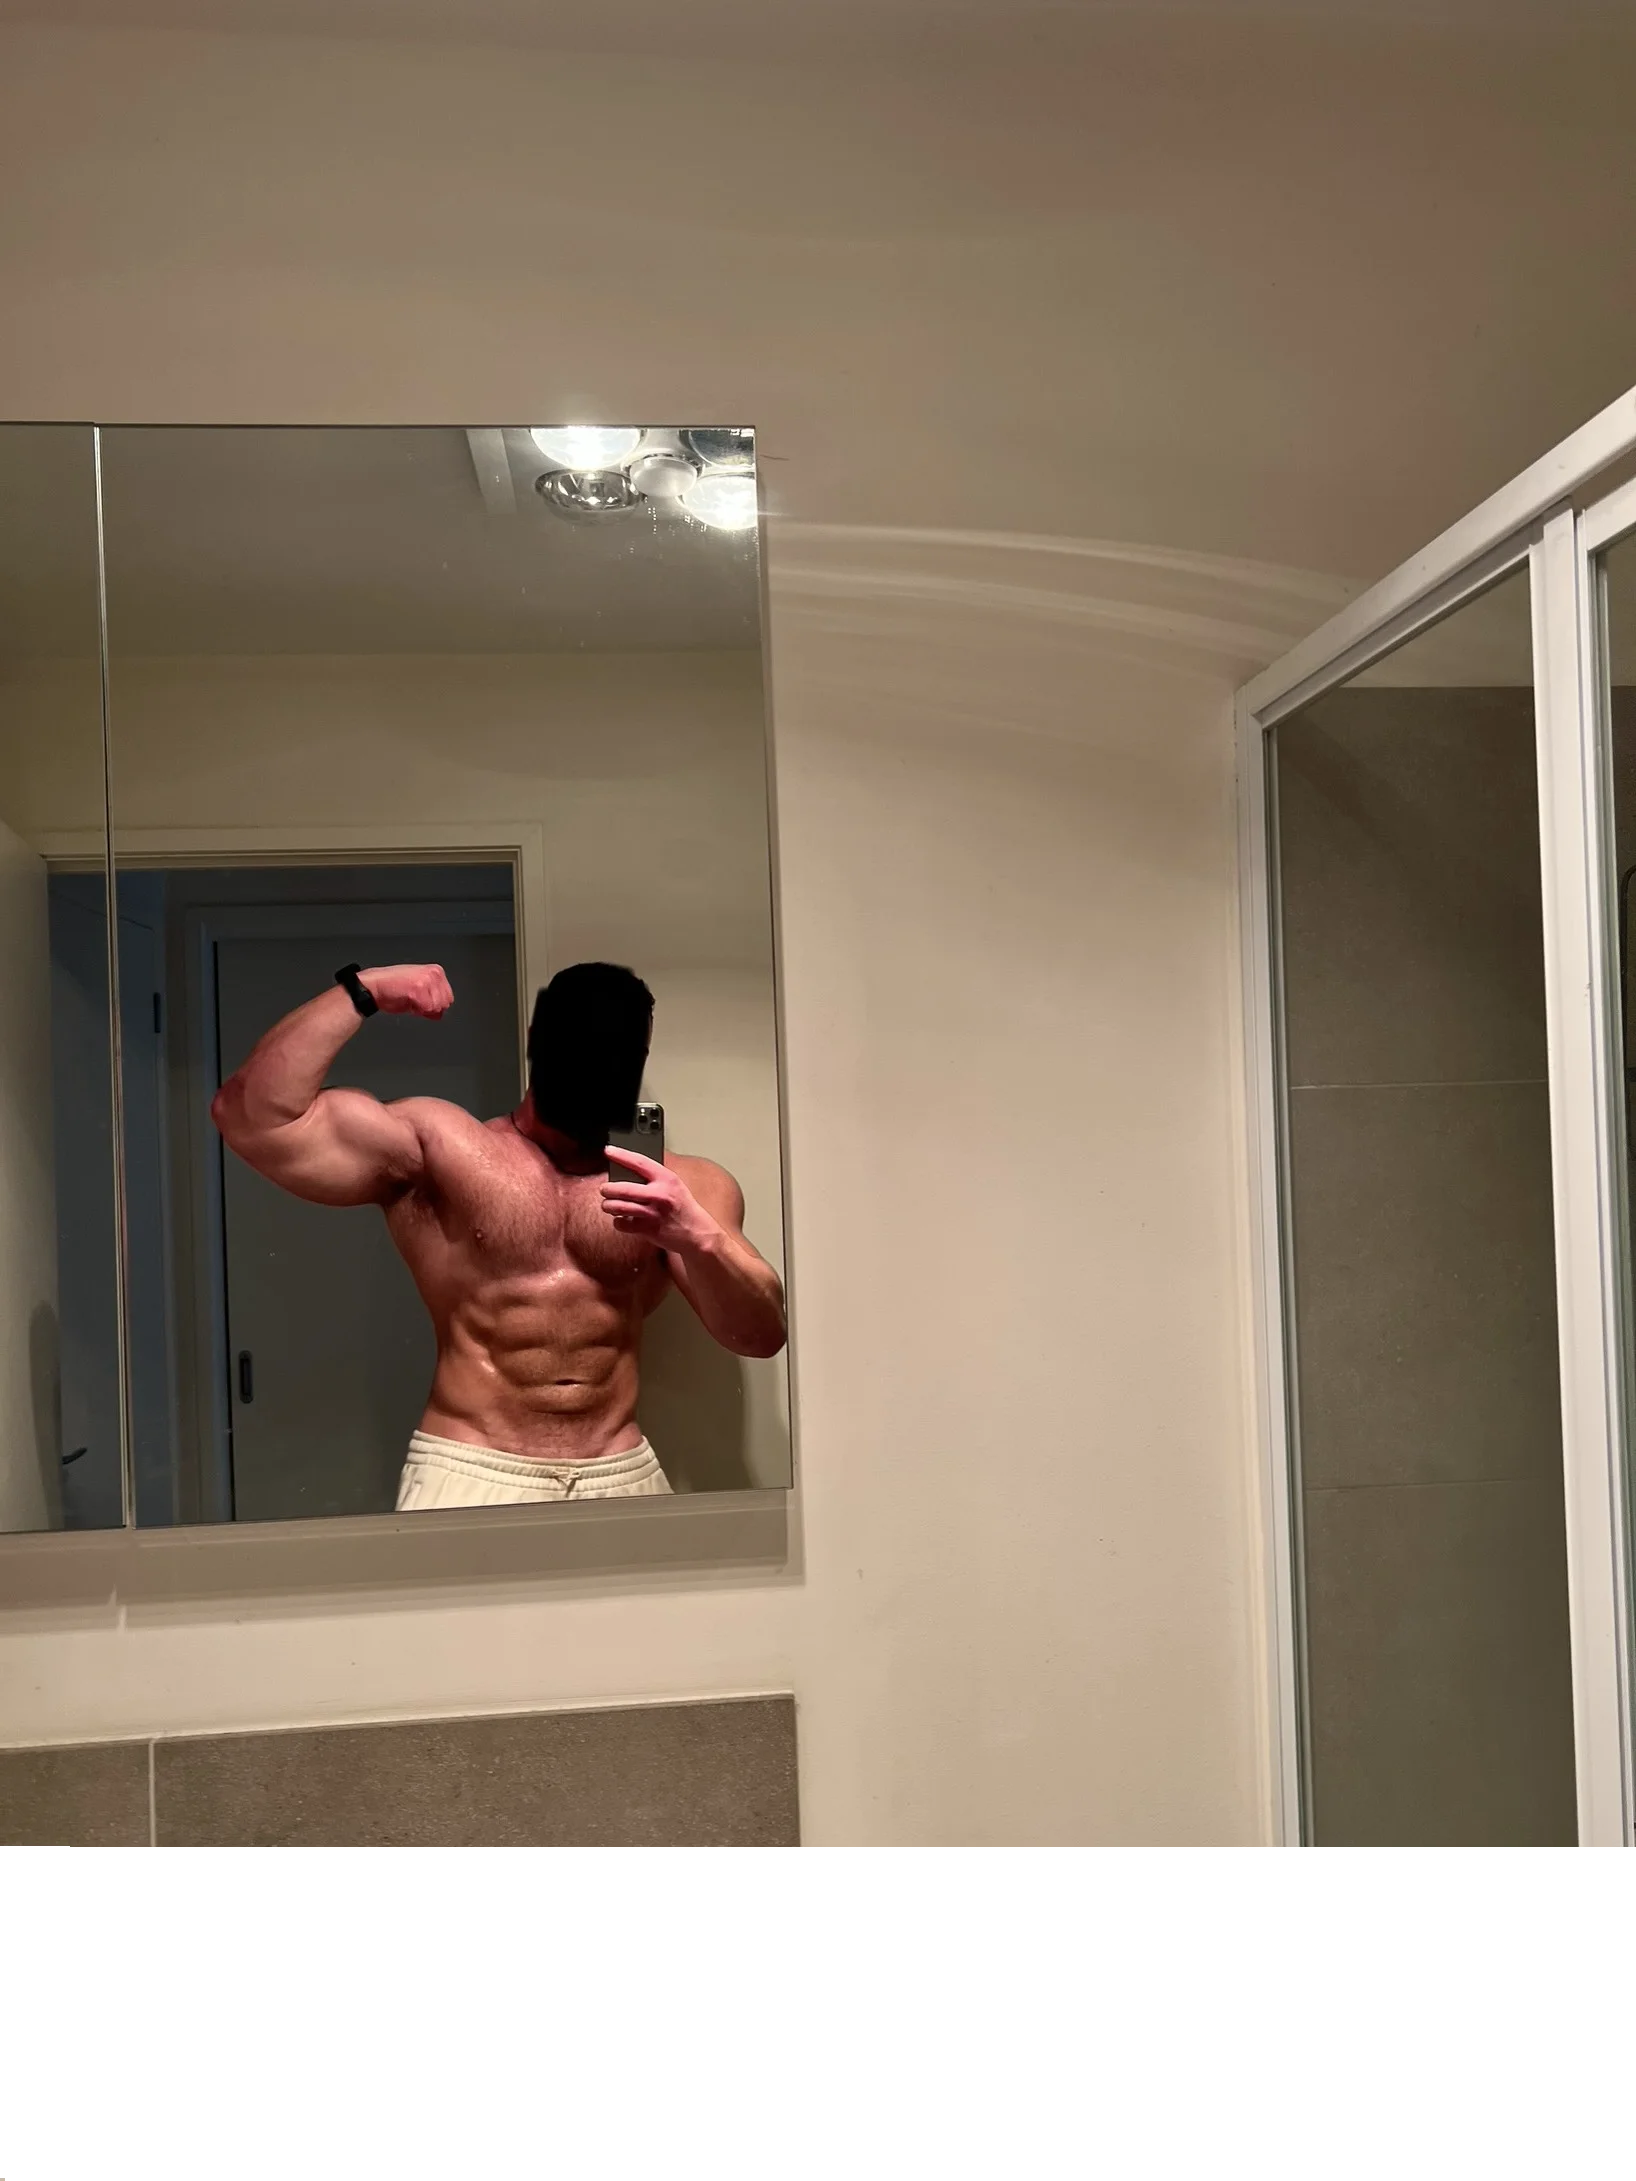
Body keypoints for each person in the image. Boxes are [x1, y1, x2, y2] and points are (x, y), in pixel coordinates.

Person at [211, 959, 786, 1510]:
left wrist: (698, 1238)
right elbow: (253, 1118)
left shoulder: (680, 1187)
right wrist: (365, 991)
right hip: (473, 1469)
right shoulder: (444, 1147)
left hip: (621, 1470)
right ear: (537, 1040)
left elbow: (760, 1335)